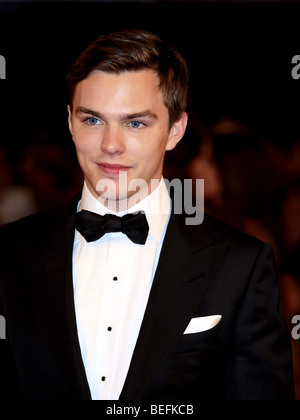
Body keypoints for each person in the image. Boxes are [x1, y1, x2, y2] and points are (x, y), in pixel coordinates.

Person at [0, 29, 294, 401]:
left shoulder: (239, 264)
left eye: (135, 123)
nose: (110, 144)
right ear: (70, 121)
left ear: (175, 131)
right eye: (93, 120)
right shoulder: (9, 251)